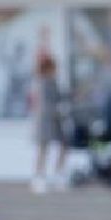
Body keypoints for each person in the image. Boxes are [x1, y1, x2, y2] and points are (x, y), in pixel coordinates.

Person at [30, 52, 68, 193]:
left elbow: (61, 97)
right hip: (45, 121)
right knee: (43, 149)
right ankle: (38, 178)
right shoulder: (42, 83)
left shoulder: (53, 82)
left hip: (56, 120)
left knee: (64, 145)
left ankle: (58, 174)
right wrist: (58, 110)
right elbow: (45, 104)